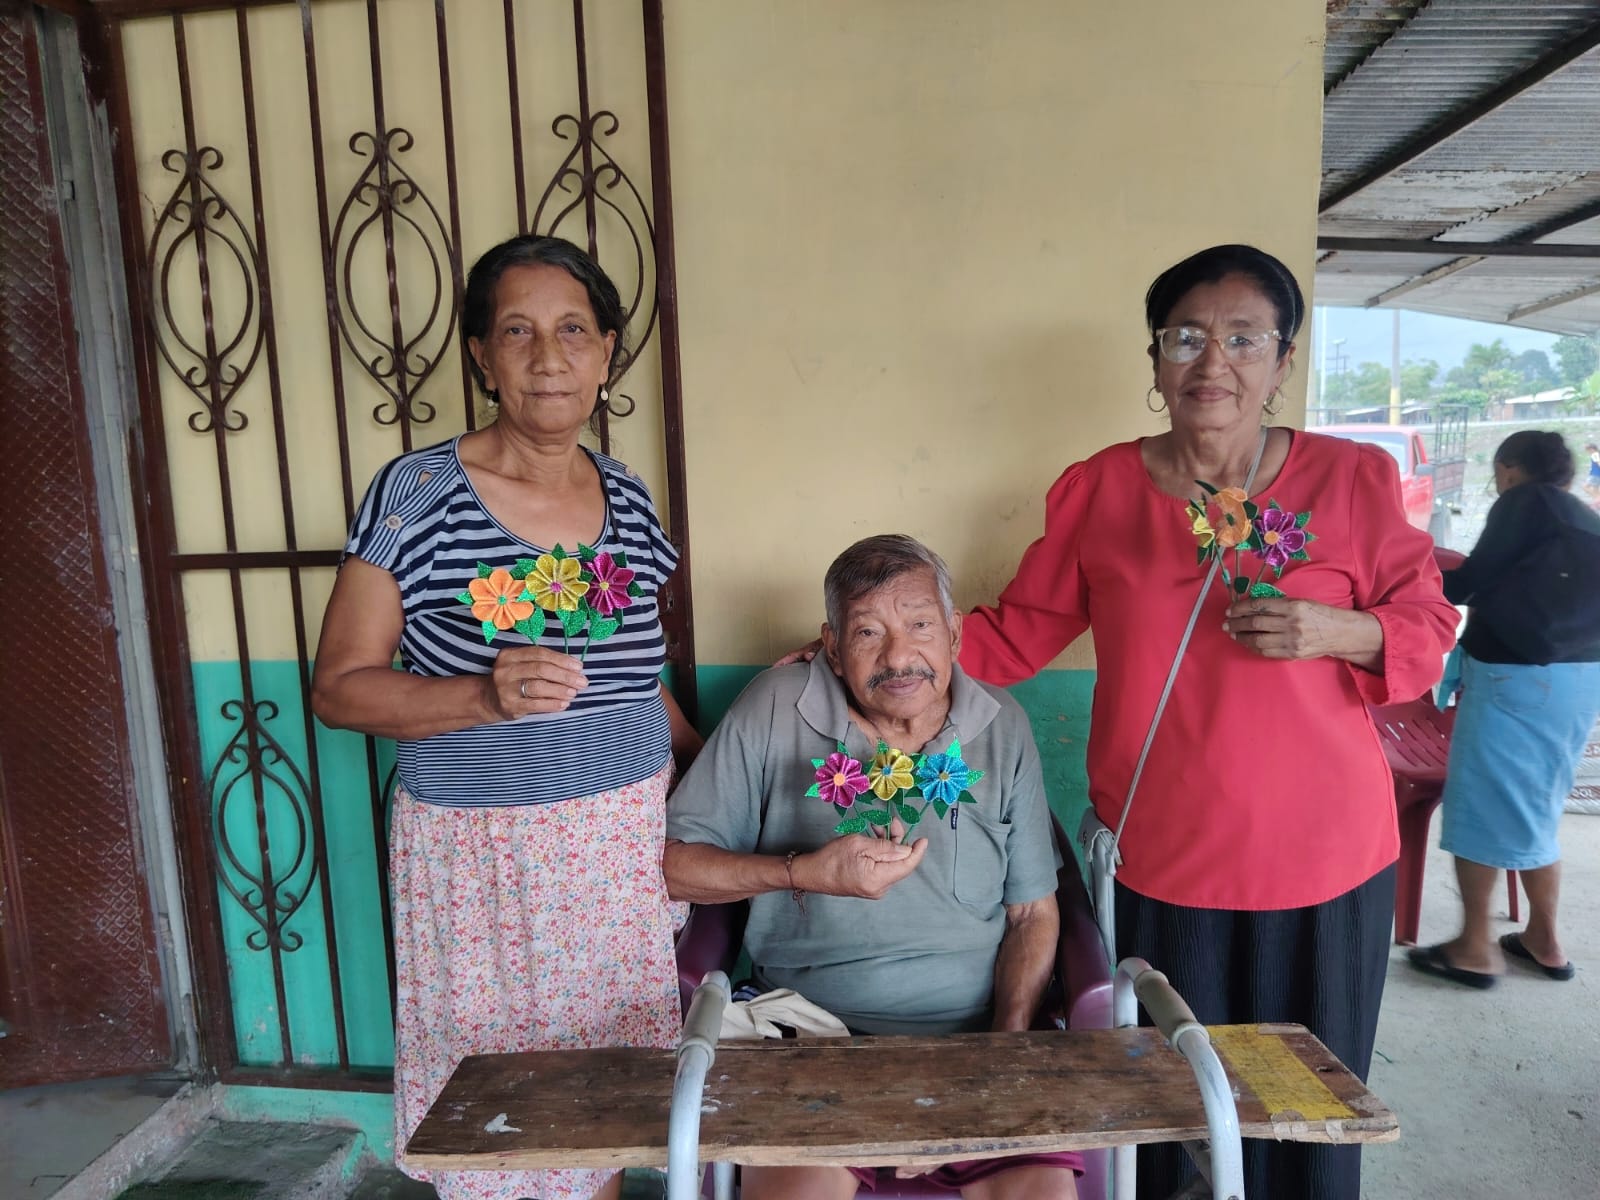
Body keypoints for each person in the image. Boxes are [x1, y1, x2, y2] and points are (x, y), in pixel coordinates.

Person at [955, 245, 1459, 1200]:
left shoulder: (1351, 479)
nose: (1212, 361)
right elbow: (1014, 633)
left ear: (1284, 359)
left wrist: (1339, 629)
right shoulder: (1101, 489)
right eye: (1185, 337)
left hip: (1325, 863)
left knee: (1303, 1120)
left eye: (1243, 339)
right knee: (1175, 1117)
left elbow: (1429, 629)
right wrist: (877, 649)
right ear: (1155, 358)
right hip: (1166, 861)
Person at [311, 234, 701, 1200]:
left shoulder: (628, 497)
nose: (548, 356)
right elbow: (339, 687)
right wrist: (481, 696)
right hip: (486, 868)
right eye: (517, 332)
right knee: (504, 1129)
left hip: (621, 857)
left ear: (607, 353)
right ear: (483, 357)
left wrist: (714, 769)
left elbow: (636, 681)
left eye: (573, 330)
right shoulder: (419, 494)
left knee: (603, 1116)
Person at [666, 534, 1082, 1200]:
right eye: (867, 632)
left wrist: (1001, 1056)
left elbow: (1033, 912)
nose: (898, 656)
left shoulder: (1001, 725)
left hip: (977, 1040)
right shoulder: (775, 706)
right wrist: (801, 872)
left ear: (954, 634)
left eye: (920, 626)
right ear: (832, 648)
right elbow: (674, 869)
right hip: (809, 1037)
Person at [1408, 431, 1600, 989]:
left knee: (1480, 808)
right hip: (1579, 679)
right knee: (1536, 806)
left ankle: (1474, 948)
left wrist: (1404, 576)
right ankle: (1544, 939)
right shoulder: (1581, 518)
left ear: (1509, 468)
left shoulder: (1523, 503)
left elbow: (1470, 582)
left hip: (1516, 680)